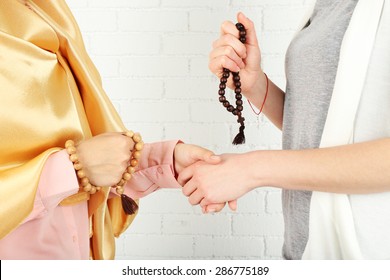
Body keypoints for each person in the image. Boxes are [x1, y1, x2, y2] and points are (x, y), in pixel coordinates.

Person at [0, 0, 233, 260]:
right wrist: (72, 169)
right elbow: (76, 164)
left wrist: (164, 162)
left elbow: (74, 146)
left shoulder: (47, 8)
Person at [181, 0, 390, 259]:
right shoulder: (326, 5)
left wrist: (251, 170)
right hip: (303, 250)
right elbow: (316, 124)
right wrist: (255, 85)